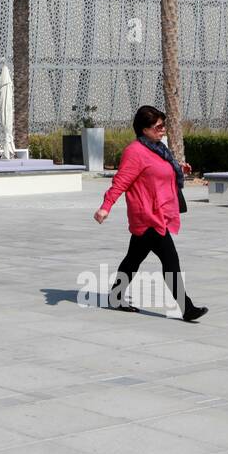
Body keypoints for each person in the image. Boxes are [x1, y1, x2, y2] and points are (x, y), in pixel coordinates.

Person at [93, 105, 208, 322]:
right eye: (158, 126)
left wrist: (179, 169)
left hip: (158, 213)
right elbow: (121, 182)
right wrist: (106, 206)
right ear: (144, 129)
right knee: (170, 259)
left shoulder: (158, 148)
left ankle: (116, 297)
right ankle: (187, 307)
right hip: (147, 215)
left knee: (133, 258)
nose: (163, 129)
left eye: (163, 125)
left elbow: (159, 171)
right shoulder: (135, 152)